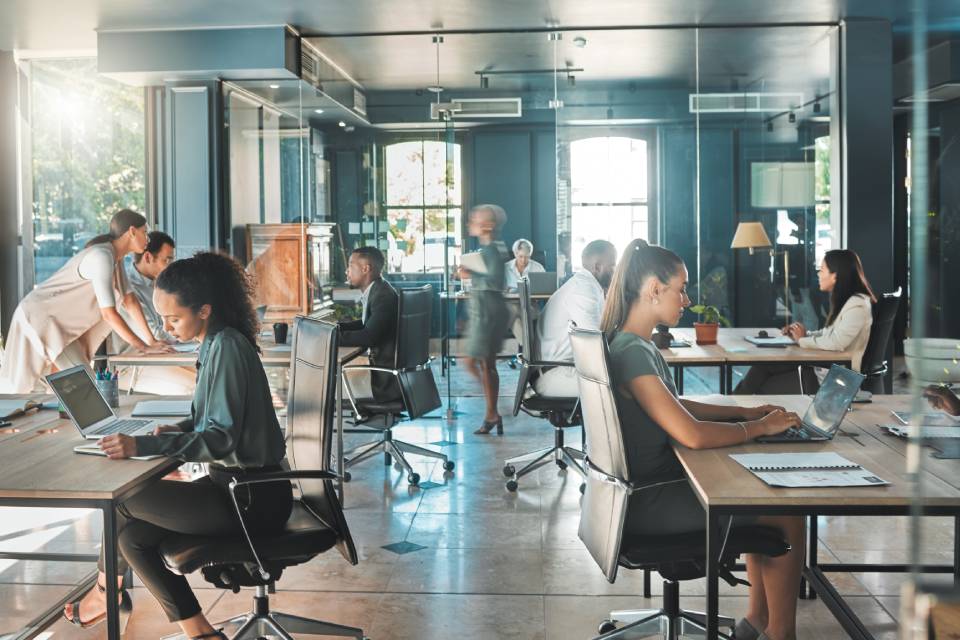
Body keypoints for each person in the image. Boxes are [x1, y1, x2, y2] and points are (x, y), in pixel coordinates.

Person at [62, 252, 292, 640]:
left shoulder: (227, 348)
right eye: (162, 319)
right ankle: (199, 632)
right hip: (237, 489)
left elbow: (221, 437)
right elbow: (214, 420)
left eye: (173, 319)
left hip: (251, 499)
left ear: (204, 310)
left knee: (118, 502)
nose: (166, 329)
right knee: (131, 538)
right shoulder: (218, 341)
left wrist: (143, 446)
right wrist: (178, 428)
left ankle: (105, 594)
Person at [602, 238, 805, 640]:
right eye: (681, 288)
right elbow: (690, 434)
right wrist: (757, 429)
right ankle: (780, 632)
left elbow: (676, 406)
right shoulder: (633, 352)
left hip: (634, 495)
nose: (687, 299)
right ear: (654, 290)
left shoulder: (630, 343)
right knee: (785, 508)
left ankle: (756, 623)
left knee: (758, 491)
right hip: (649, 502)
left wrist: (745, 413)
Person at [0, 209, 173, 394]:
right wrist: (143, 347)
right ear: (132, 231)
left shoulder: (116, 258)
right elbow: (109, 313)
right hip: (38, 319)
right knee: (17, 390)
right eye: (144, 232)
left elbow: (129, 300)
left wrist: (150, 341)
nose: (147, 238)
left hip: (61, 327)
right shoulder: (101, 256)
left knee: (79, 388)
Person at [735, 249, 876, 395]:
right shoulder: (849, 302)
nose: (818, 274)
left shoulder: (857, 306)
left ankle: (731, 408)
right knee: (762, 367)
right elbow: (828, 334)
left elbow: (837, 342)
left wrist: (802, 339)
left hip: (835, 380)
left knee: (762, 384)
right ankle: (732, 407)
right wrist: (800, 335)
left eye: (822, 270)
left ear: (835, 276)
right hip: (822, 370)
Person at [114, 231, 198, 396]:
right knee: (194, 388)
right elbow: (155, 336)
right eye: (166, 260)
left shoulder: (158, 284)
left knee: (211, 377)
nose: (170, 266)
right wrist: (192, 331)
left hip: (162, 355)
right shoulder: (130, 290)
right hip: (133, 363)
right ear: (147, 258)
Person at [533, 239, 617, 397]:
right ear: (598, 267)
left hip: (566, 368)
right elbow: (597, 343)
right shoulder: (583, 290)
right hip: (555, 375)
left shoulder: (590, 286)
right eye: (613, 266)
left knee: (631, 379)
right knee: (627, 385)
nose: (616, 271)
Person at [460, 204, 510, 435]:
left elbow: (495, 279)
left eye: (474, 219)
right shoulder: (492, 248)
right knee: (485, 364)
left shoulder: (491, 250)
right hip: (487, 310)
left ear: (487, 226)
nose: (470, 222)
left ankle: (494, 410)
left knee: (473, 362)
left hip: (488, 313)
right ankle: (492, 412)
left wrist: (470, 273)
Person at [339, 246, 401, 402]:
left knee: (324, 377)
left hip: (383, 380)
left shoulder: (383, 296)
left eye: (350, 266)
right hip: (384, 372)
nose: (347, 271)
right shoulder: (379, 289)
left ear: (365, 269)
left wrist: (331, 337)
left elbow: (368, 337)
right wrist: (338, 328)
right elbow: (368, 323)